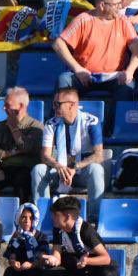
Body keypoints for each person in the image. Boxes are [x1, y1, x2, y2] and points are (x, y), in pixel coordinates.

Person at [52, 0, 138, 98]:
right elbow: (58, 44)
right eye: (116, 4)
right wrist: (78, 69)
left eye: (120, 3)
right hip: (84, 76)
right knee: (64, 80)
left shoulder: (123, 21)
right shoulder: (83, 20)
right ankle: (59, 115)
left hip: (114, 77)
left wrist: (129, 71)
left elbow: (137, 52)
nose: (120, 7)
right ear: (102, 5)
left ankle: (115, 116)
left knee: (128, 86)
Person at [33, 88, 106, 217]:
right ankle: (42, 215)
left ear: (71, 105)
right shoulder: (51, 123)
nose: (54, 107)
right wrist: (58, 166)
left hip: (82, 173)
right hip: (59, 172)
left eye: (58, 104)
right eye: (54, 103)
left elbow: (99, 155)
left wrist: (74, 168)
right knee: (38, 169)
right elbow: (45, 155)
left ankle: (95, 217)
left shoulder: (91, 121)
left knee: (96, 169)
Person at [40, 194, 118, 276]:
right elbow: (57, 255)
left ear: (67, 217)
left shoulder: (86, 231)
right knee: (49, 275)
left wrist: (87, 260)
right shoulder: (58, 229)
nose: (52, 218)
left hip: (93, 273)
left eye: (55, 215)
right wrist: (53, 259)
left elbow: (106, 258)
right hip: (75, 271)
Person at [0, 87, 43, 201]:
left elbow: (26, 148)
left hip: (26, 168)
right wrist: (11, 153)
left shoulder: (36, 127)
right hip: (5, 167)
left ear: (20, 106)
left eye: (8, 105)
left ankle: (23, 213)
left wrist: (14, 128)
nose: (4, 108)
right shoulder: (0, 127)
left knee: (22, 181)